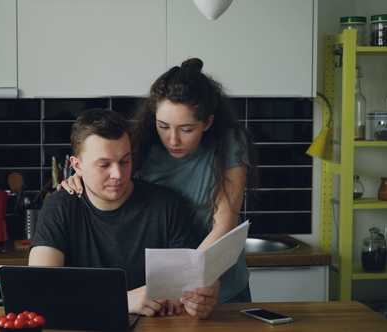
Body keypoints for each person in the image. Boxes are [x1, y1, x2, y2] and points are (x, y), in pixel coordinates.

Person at [59, 58, 259, 303]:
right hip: (163, 290)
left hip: (219, 286)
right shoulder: (143, 143)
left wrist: (185, 283)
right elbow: (105, 170)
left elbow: (224, 225)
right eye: (163, 126)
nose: (172, 140)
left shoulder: (229, 143)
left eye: (186, 129)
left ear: (207, 122)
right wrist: (76, 178)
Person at [29, 108, 219, 319]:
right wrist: (122, 300)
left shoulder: (165, 204)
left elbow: (194, 280)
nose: (118, 174)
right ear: (77, 166)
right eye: (104, 164)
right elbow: (40, 293)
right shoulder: (59, 207)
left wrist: (201, 299)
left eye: (124, 161)